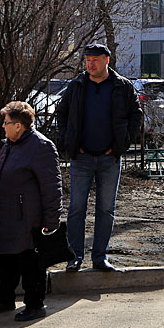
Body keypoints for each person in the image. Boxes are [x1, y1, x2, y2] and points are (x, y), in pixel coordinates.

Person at [56, 43, 143, 273]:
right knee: (76, 208)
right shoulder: (76, 86)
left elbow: (136, 116)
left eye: (95, 59)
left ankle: (100, 257)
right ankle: (74, 257)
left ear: (107, 60)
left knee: (106, 209)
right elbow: (61, 112)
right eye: (87, 60)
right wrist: (68, 140)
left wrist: (120, 145)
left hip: (109, 159)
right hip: (81, 158)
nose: (90, 64)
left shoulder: (122, 87)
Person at [0, 100, 62, 321]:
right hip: (4, 214)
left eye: (6, 122)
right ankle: (5, 299)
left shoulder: (41, 146)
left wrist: (51, 220)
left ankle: (35, 304)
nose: (3, 126)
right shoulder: (9, 144)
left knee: (30, 262)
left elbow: (52, 186)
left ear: (19, 125)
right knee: (5, 258)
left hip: (28, 218)